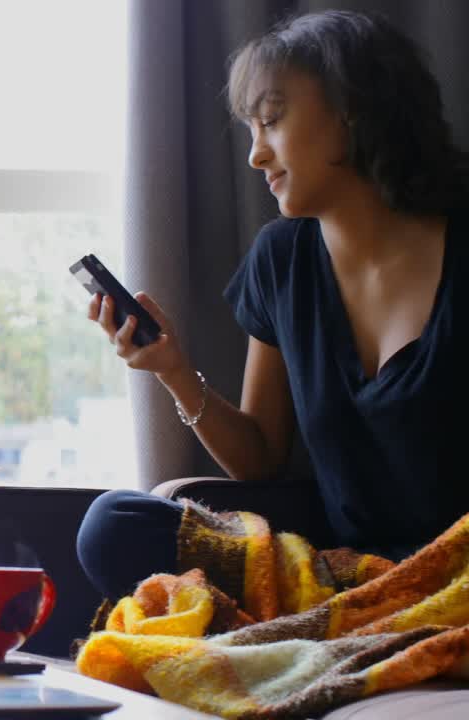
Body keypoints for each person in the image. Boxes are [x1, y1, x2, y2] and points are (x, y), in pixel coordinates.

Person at [75, 10, 468, 602]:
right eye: (251, 130)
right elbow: (259, 459)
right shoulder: (281, 261)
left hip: (457, 572)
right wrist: (175, 371)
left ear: (352, 109)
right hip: (345, 576)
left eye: (272, 122)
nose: (257, 155)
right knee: (114, 526)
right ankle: (350, 618)